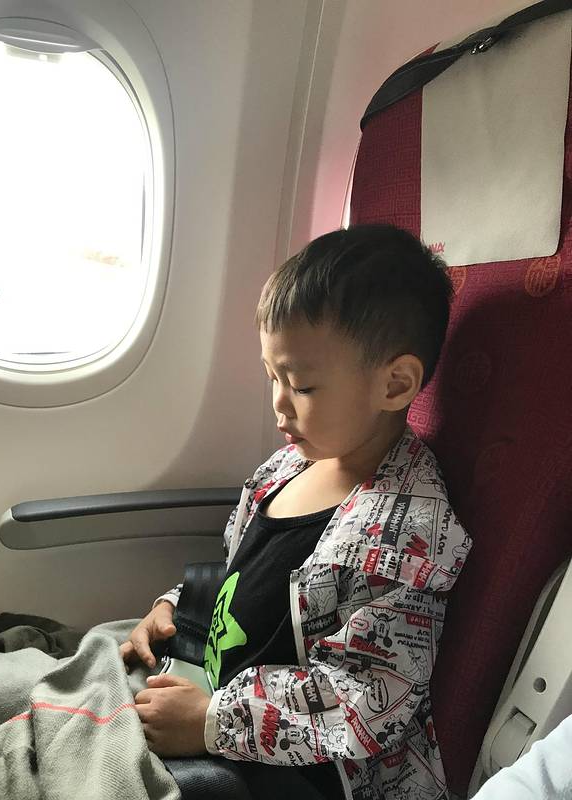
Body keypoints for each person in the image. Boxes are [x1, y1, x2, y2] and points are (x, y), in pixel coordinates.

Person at [120, 224, 472, 800]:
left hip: (295, 770)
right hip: (209, 689)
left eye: (302, 386)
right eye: (272, 377)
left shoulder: (409, 531)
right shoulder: (288, 467)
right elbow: (243, 577)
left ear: (394, 384)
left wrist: (212, 722)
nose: (278, 404)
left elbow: (366, 699)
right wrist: (176, 608)